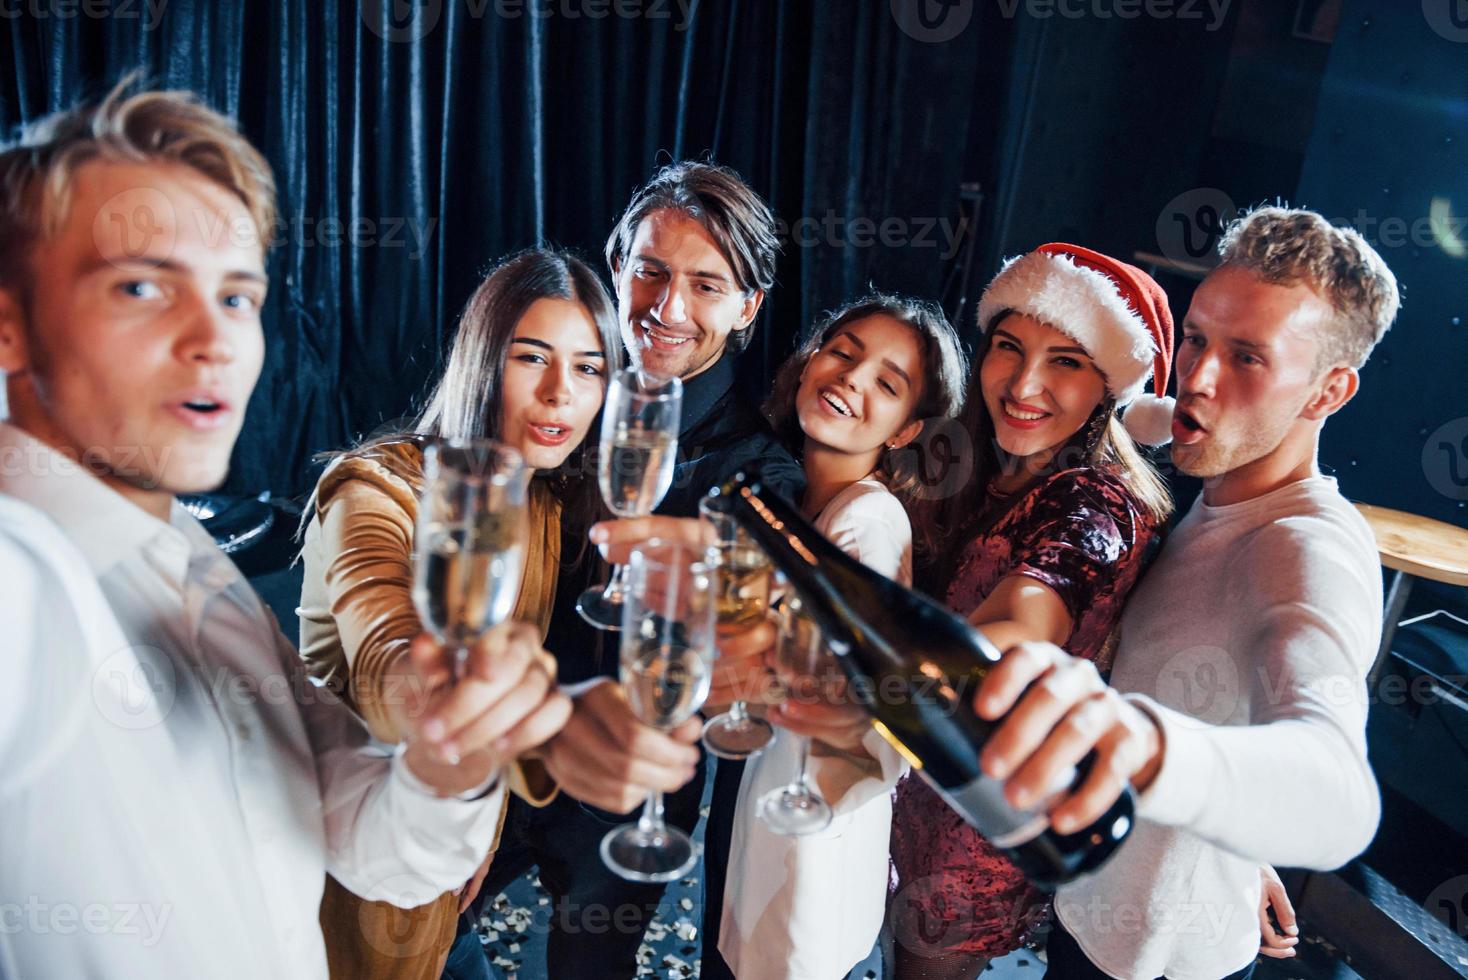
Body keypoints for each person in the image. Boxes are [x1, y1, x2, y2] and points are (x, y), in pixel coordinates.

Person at [0, 81, 570, 978]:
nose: (214, 338)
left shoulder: (198, 566)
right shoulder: (22, 575)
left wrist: (451, 767)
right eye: (142, 284)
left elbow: (364, 833)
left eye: (236, 297)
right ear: (9, 324)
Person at [969, 208, 1395, 980]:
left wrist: (1146, 745)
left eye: (1247, 357)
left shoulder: (1305, 548)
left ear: (1328, 392)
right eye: (1196, 338)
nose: (1196, 376)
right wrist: (1242, 838)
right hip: (1089, 907)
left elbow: (1339, 790)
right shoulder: (1216, 449)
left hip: (1156, 965)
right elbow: (1143, 412)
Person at [475, 161, 805, 977]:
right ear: (616, 268)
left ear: (746, 308)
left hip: (624, 788)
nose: (668, 307)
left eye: (706, 284)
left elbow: (768, 603)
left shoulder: (763, 468)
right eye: (650, 270)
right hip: (501, 742)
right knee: (421, 927)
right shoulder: (565, 391)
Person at [295, 248, 623, 979]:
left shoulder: (538, 502)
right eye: (531, 357)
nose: (560, 393)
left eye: (590, 368)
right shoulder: (372, 489)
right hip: (346, 871)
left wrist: (482, 823)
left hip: (446, 868)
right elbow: (388, 661)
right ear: (482, 359)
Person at [887, 244, 1177, 979]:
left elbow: (1025, 627)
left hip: (975, 825)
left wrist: (870, 672)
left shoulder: (1095, 503)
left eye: (1066, 362)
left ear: (1112, 387)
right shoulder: (990, 470)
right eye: (1008, 349)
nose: (1024, 383)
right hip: (925, 779)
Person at [711, 294, 967, 978]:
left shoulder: (869, 524)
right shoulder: (797, 504)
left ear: (907, 429)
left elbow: (851, 694)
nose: (851, 379)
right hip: (774, 810)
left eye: (886, 383)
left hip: (815, 835)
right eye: (843, 353)